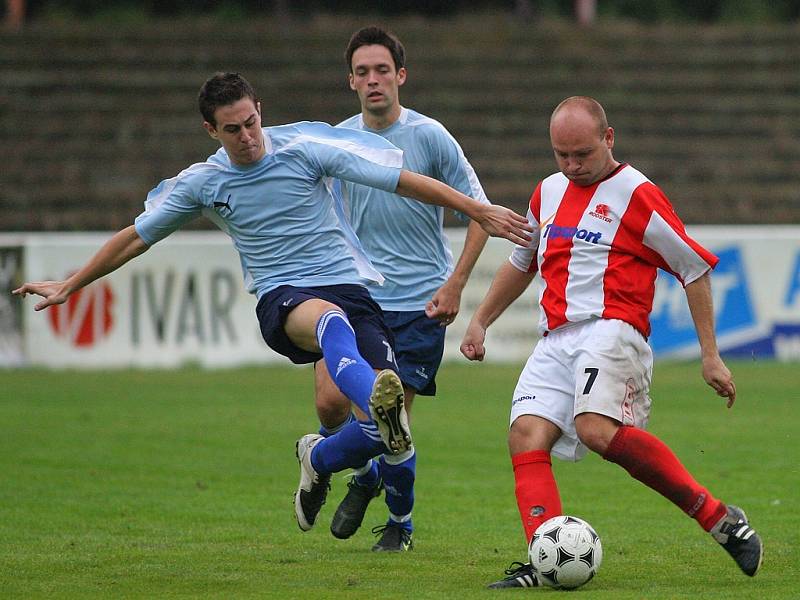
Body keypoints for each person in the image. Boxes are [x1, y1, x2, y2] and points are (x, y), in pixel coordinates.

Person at [12, 72, 533, 534]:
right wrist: (70, 285)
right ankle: (378, 399)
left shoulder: (302, 148)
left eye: (251, 122)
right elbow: (135, 237)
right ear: (211, 132)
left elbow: (401, 181)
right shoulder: (205, 182)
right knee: (333, 328)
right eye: (233, 129)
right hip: (284, 299)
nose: (248, 137)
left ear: (260, 111)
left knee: (386, 437)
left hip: (350, 289)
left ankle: (323, 461)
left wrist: (476, 210)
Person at [460, 96, 763, 588]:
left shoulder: (637, 193)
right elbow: (523, 262)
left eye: (582, 153)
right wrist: (480, 321)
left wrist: (710, 355)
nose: (573, 166)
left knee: (597, 429)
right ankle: (544, 560)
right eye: (562, 155)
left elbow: (694, 268)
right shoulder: (547, 192)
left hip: (613, 329)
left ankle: (719, 518)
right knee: (525, 435)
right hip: (556, 337)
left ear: (609, 138)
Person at [309, 26, 493, 553]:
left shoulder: (430, 137)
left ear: (401, 76)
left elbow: (480, 213)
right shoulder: (336, 141)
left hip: (418, 305)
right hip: (353, 299)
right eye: (363, 72)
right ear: (350, 81)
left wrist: (456, 284)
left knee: (392, 424)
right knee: (329, 405)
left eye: (382, 70)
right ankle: (361, 474)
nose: (373, 80)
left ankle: (399, 525)